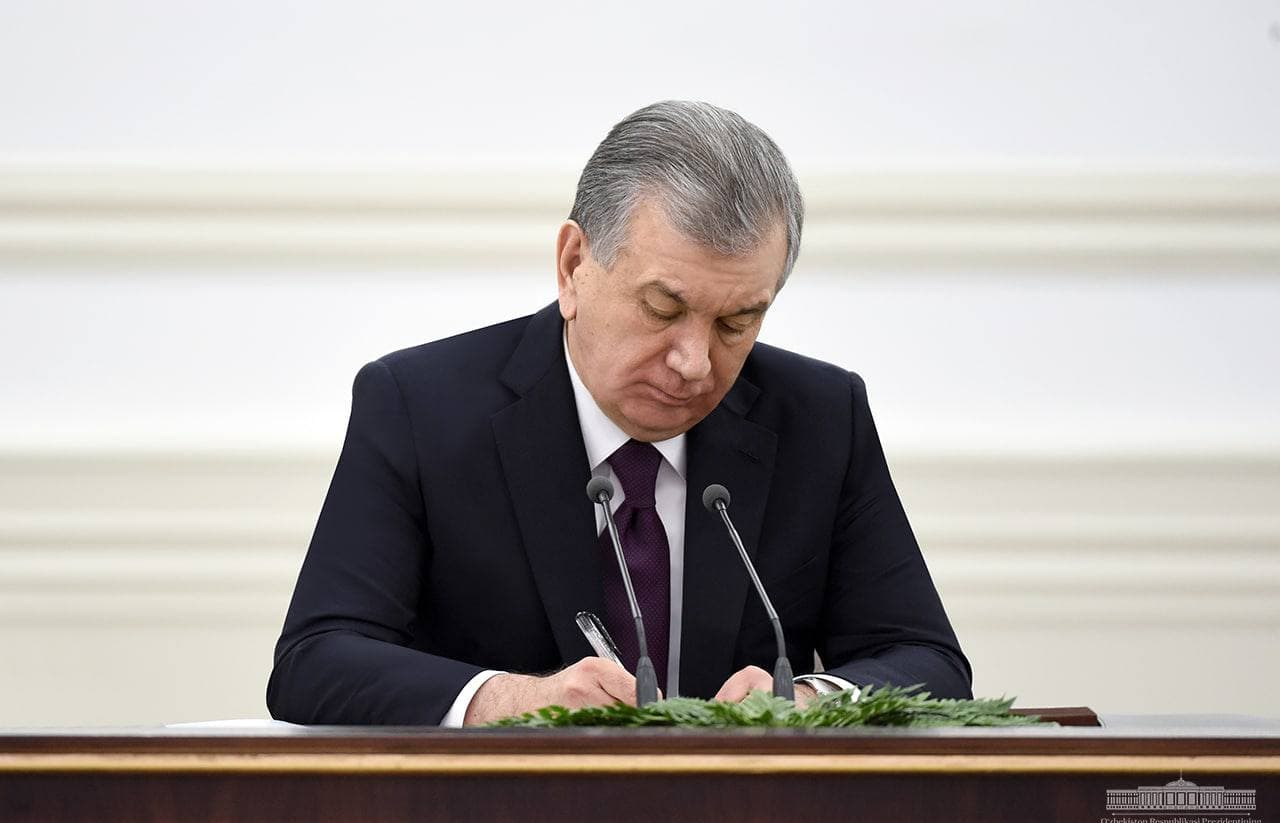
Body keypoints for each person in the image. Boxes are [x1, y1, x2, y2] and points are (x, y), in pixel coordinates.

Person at [267, 101, 971, 726]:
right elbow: (316, 660)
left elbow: (928, 660)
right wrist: (510, 702)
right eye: (663, 309)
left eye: (737, 323)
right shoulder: (420, 407)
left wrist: (808, 702)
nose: (694, 362)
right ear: (574, 265)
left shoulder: (821, 418)